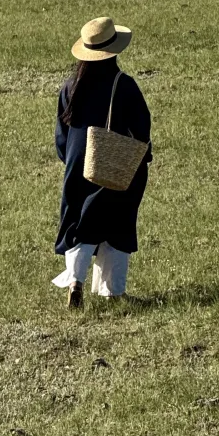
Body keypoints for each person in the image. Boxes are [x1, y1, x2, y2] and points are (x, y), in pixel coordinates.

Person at [52, 16, 152, 308]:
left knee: (80, 223)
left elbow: (61, 137)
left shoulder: (69, 87)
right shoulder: (124, 85)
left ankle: (75, 281)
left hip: (77, 166)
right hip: (116, 165)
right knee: (117, 225)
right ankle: (112, 291)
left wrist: (71, 162)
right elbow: (141, 130)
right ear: (114, 51)